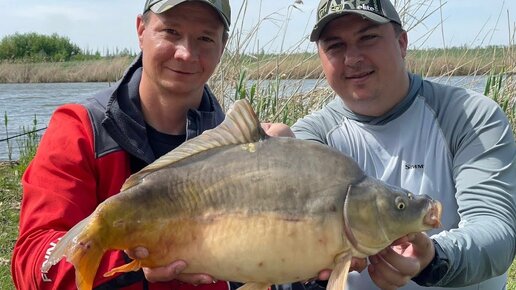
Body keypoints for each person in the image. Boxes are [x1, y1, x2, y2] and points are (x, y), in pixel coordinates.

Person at [266, 0, 516, 289]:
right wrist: (273, 162)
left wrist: (434, 259)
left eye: (368, 38)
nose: (352, 59)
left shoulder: (469, 116)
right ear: (321, 58)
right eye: (335, 46)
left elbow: (497, 230)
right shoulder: (312, 136)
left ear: (402, 42)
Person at [11, 0, 238, 289]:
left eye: (205, 38)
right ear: (141, 30)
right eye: (170, 32)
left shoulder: (238, 147)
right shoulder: (80, 129)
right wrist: (134, 257)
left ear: (222, 45)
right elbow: (32, 264)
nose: (185, 53)